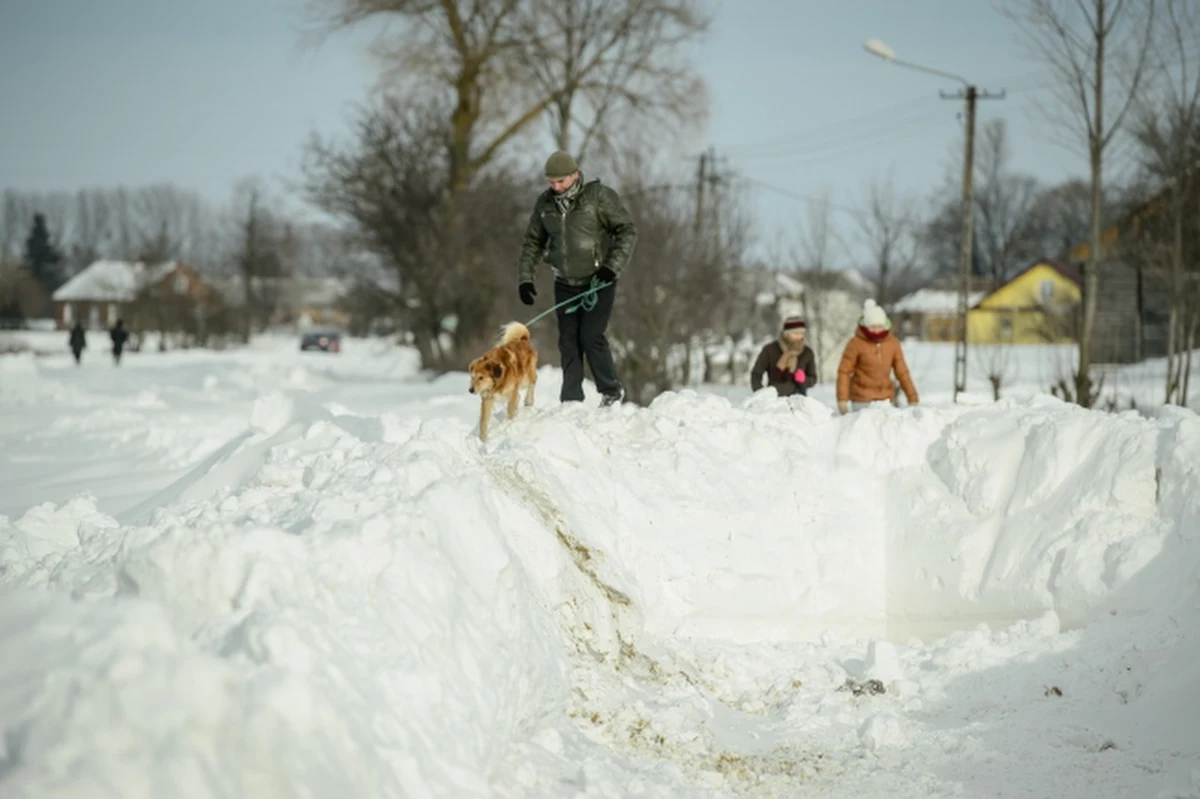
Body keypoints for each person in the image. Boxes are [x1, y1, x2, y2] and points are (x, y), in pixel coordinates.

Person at [516, 150, 637, 406]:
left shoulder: (598, 197)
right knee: (568, 341)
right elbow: (533, 242)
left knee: (591, 336)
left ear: (575, 175)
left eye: (561, 181)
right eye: (551, 182)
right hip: (565, 283)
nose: (556, 187)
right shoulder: (545, 204)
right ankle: (571, 400)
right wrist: (525, 279)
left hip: (599, 281)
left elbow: (626, 230)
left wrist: (611, 267)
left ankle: (611, 391)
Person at [836, 299, 919, 413]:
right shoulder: (855, 343)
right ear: (865, 326)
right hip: (862, 399)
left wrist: (912, 397)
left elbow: (902, 372)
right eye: (872, 327)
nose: (876, 331)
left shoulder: (892, 343)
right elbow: (844, 371)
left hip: (886, 399)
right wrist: (842, 399)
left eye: (879, 326)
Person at [750, 316, 817, 397]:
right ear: (786, 334)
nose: (799, 337)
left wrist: (805, 380)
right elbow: (756, 374)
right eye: (795, 333)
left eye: (801, 333)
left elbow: (813, 378)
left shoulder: (807, 353)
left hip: (799, 401)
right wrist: (761, 394)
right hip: (774, 401)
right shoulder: (770, 350)